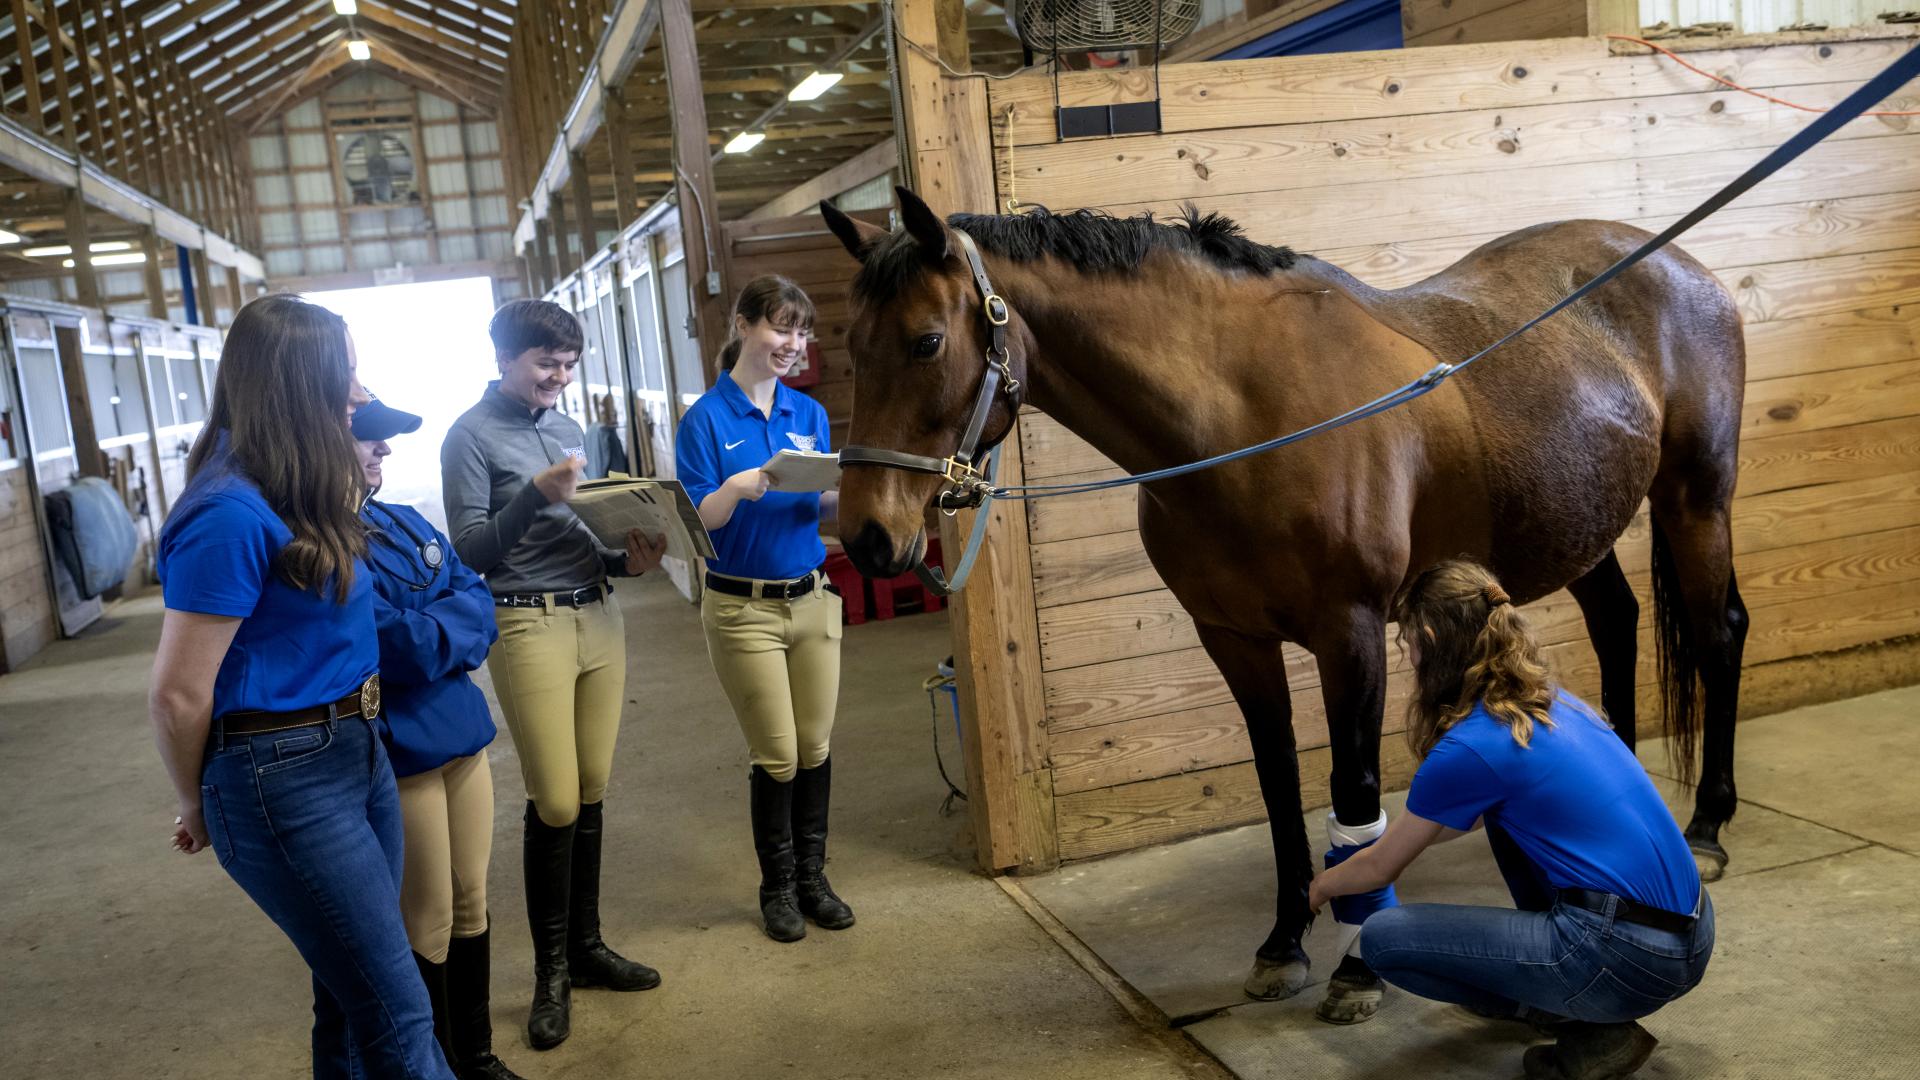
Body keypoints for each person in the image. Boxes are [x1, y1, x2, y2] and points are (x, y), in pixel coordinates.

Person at [149, 294, 455, 1079]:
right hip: (281, 774)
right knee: (398, 1012)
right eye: (344, 373)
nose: (359, 389)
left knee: (351, 1001)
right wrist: (197, 801)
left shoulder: (299, 484)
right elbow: (179, 694)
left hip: (357, 748)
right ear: (296, 384)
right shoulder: (226, 512)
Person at [1309, 559, 1712, 1080]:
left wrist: (1321, 885)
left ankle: (1585, 1025)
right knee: (1504, 823)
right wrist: (1407, 835)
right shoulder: (1552, 704)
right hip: (1694, 934)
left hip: (1628, 959)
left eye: (1405, 641)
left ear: (1430, 637)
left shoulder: (1469, 745)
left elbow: (1378, 872)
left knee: (1385, 938)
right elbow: (1459, 823)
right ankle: (1572, 1001)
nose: (1406, 655)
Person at [441, 299, 667, 1051]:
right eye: (545, 365)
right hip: (526, 619)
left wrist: (622, 559)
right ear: (505, 357)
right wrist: (533, 495)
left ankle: (587, 949)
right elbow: (471, 551)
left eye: (568, 367)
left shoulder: (569, 427)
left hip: (598, 612)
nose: (558, 379)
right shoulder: (468, 437)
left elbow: (586, 528)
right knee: (558, 799)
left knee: (594, 786)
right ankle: (550, 975)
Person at [675, 275, 854, 944]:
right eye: (782, 327)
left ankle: (813, 880)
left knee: (815, 745)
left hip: (810, 598)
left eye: (801, 331)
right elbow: (698, 523)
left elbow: (822, 504)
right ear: (744, 325)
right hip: (741, 610)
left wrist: (864, 492)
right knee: (777, 753)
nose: (794, 344)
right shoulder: (705, 420)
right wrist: (744, 485)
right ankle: (776, 888)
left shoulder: (807, 415)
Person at [353, 397, 526, 1080]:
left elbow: (479, 600)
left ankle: (476, 1054)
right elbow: (394, 644)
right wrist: (444, 629)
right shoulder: (322, 542)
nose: (383, 452)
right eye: (368, 440)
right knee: (424, 918)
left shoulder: (402, 520)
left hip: (460, 734)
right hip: (405, 751)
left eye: (384, 442)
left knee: (470, 898)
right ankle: (435, 1066)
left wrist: (440, 630)